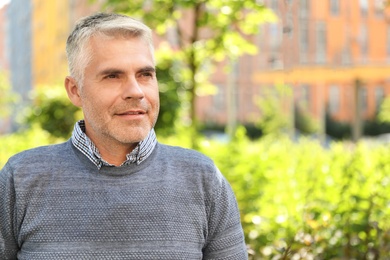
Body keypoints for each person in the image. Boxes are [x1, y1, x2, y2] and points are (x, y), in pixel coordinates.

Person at [0, 12, 247, 259]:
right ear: (75, 91)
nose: (135, 91)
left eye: (145, 74)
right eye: (113, 76)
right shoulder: (21, 179)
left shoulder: (203, 180)